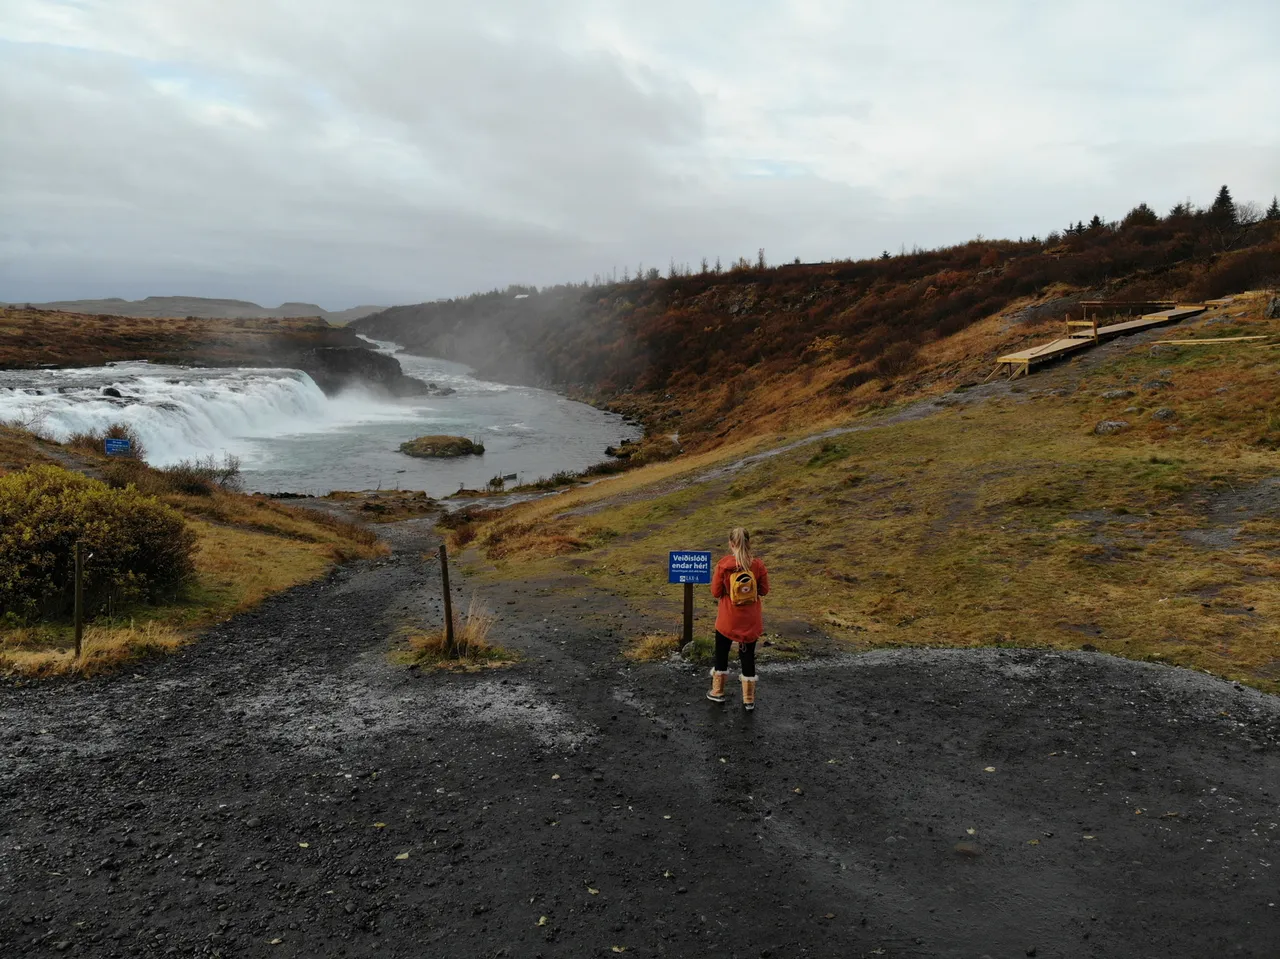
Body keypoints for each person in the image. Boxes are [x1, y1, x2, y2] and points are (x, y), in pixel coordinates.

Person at [707, 527, 770, 710]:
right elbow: (764, 590)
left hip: (728, 619)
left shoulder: (723, 565)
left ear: (731, 544)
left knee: (721, 651)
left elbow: (715, 592)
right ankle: (748, 698)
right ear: (749, 543)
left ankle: (718, 692)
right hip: (750, 620)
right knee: (747, 655)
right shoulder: (757, 565)